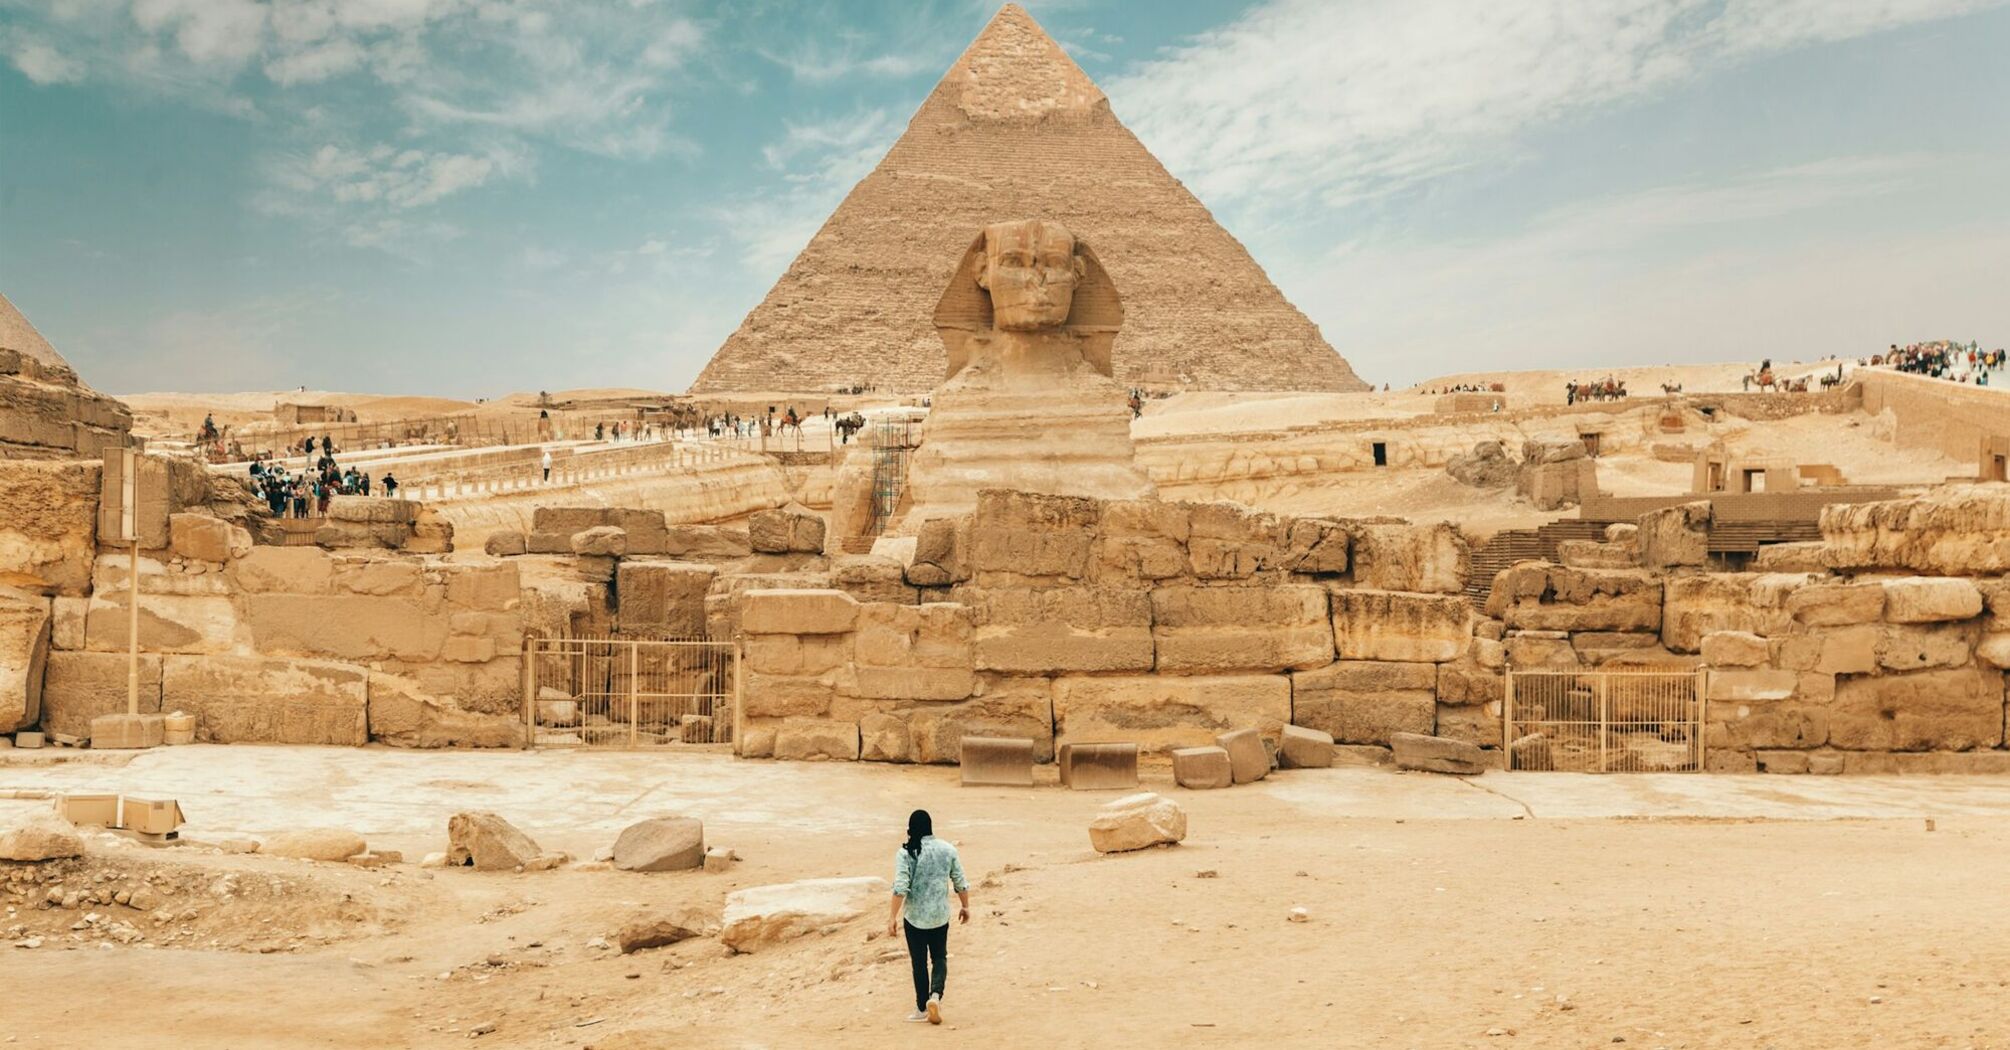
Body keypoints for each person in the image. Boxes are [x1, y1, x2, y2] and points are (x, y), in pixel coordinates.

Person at [886, 809, 969, 1026]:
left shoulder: (906, 853)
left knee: (919, 963)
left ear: (911, 828)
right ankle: (935, 996)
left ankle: (922, 1007)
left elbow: (900, 887)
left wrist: (892, 917)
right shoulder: (947, 849)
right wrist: (965, 906)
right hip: (940, 915)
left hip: (915, 918)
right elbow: (960, 880)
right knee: (939, 957)